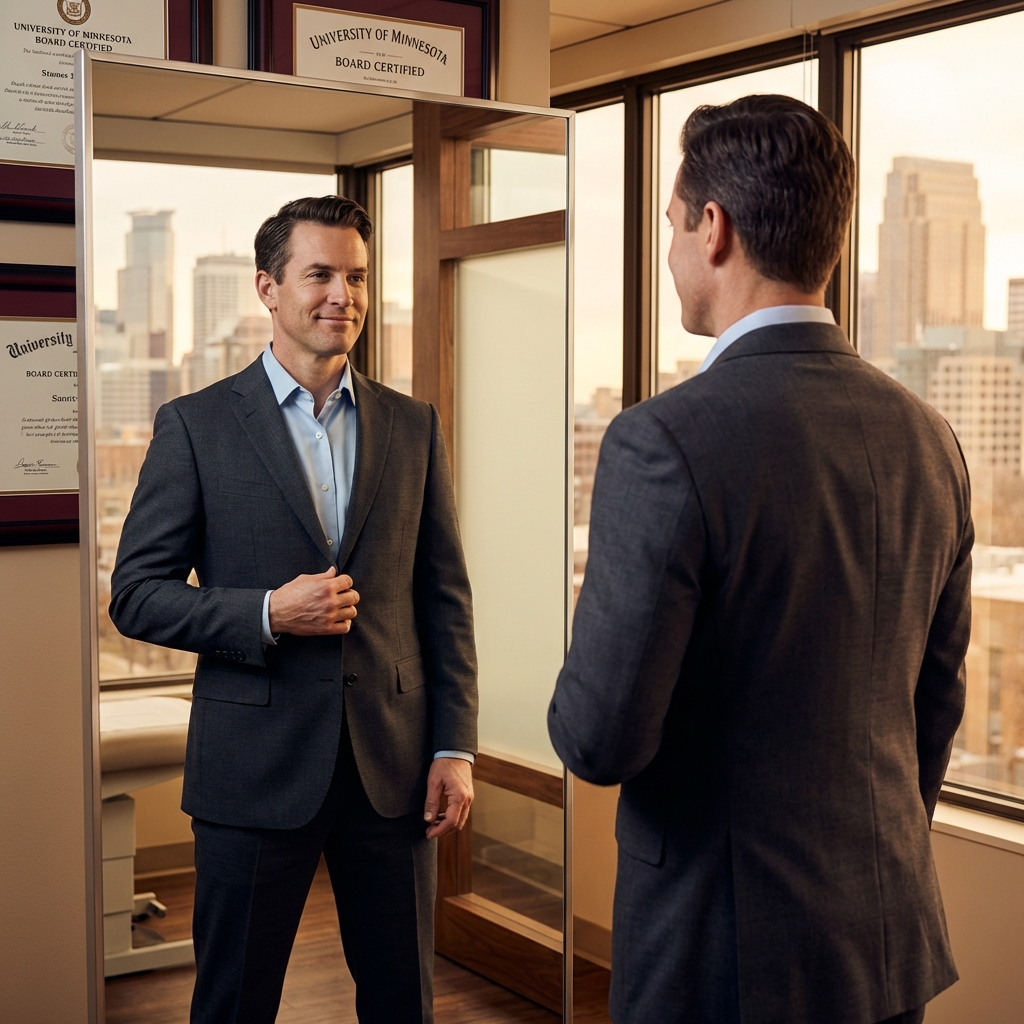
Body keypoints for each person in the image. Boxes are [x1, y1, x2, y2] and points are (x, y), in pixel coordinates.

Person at [548, 95, 971, 1024]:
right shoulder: (929, 437)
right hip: (884, 939)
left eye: (669, 223)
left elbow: (599, 738)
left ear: (714, 227)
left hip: (722, 958)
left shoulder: (661, 440)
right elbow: (936, 703)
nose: (666, 253)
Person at [110, 196, 478, 1024]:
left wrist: (455, 745)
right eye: (320, 274)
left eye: (356, 276)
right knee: (234, 1003)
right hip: (253, 772)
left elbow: (443, 601)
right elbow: (135, 595)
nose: (341, 294)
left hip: (394, 772)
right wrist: (269, 612)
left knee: (402, 1003)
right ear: (268, 288)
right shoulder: (195, 426)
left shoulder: (414, 427)